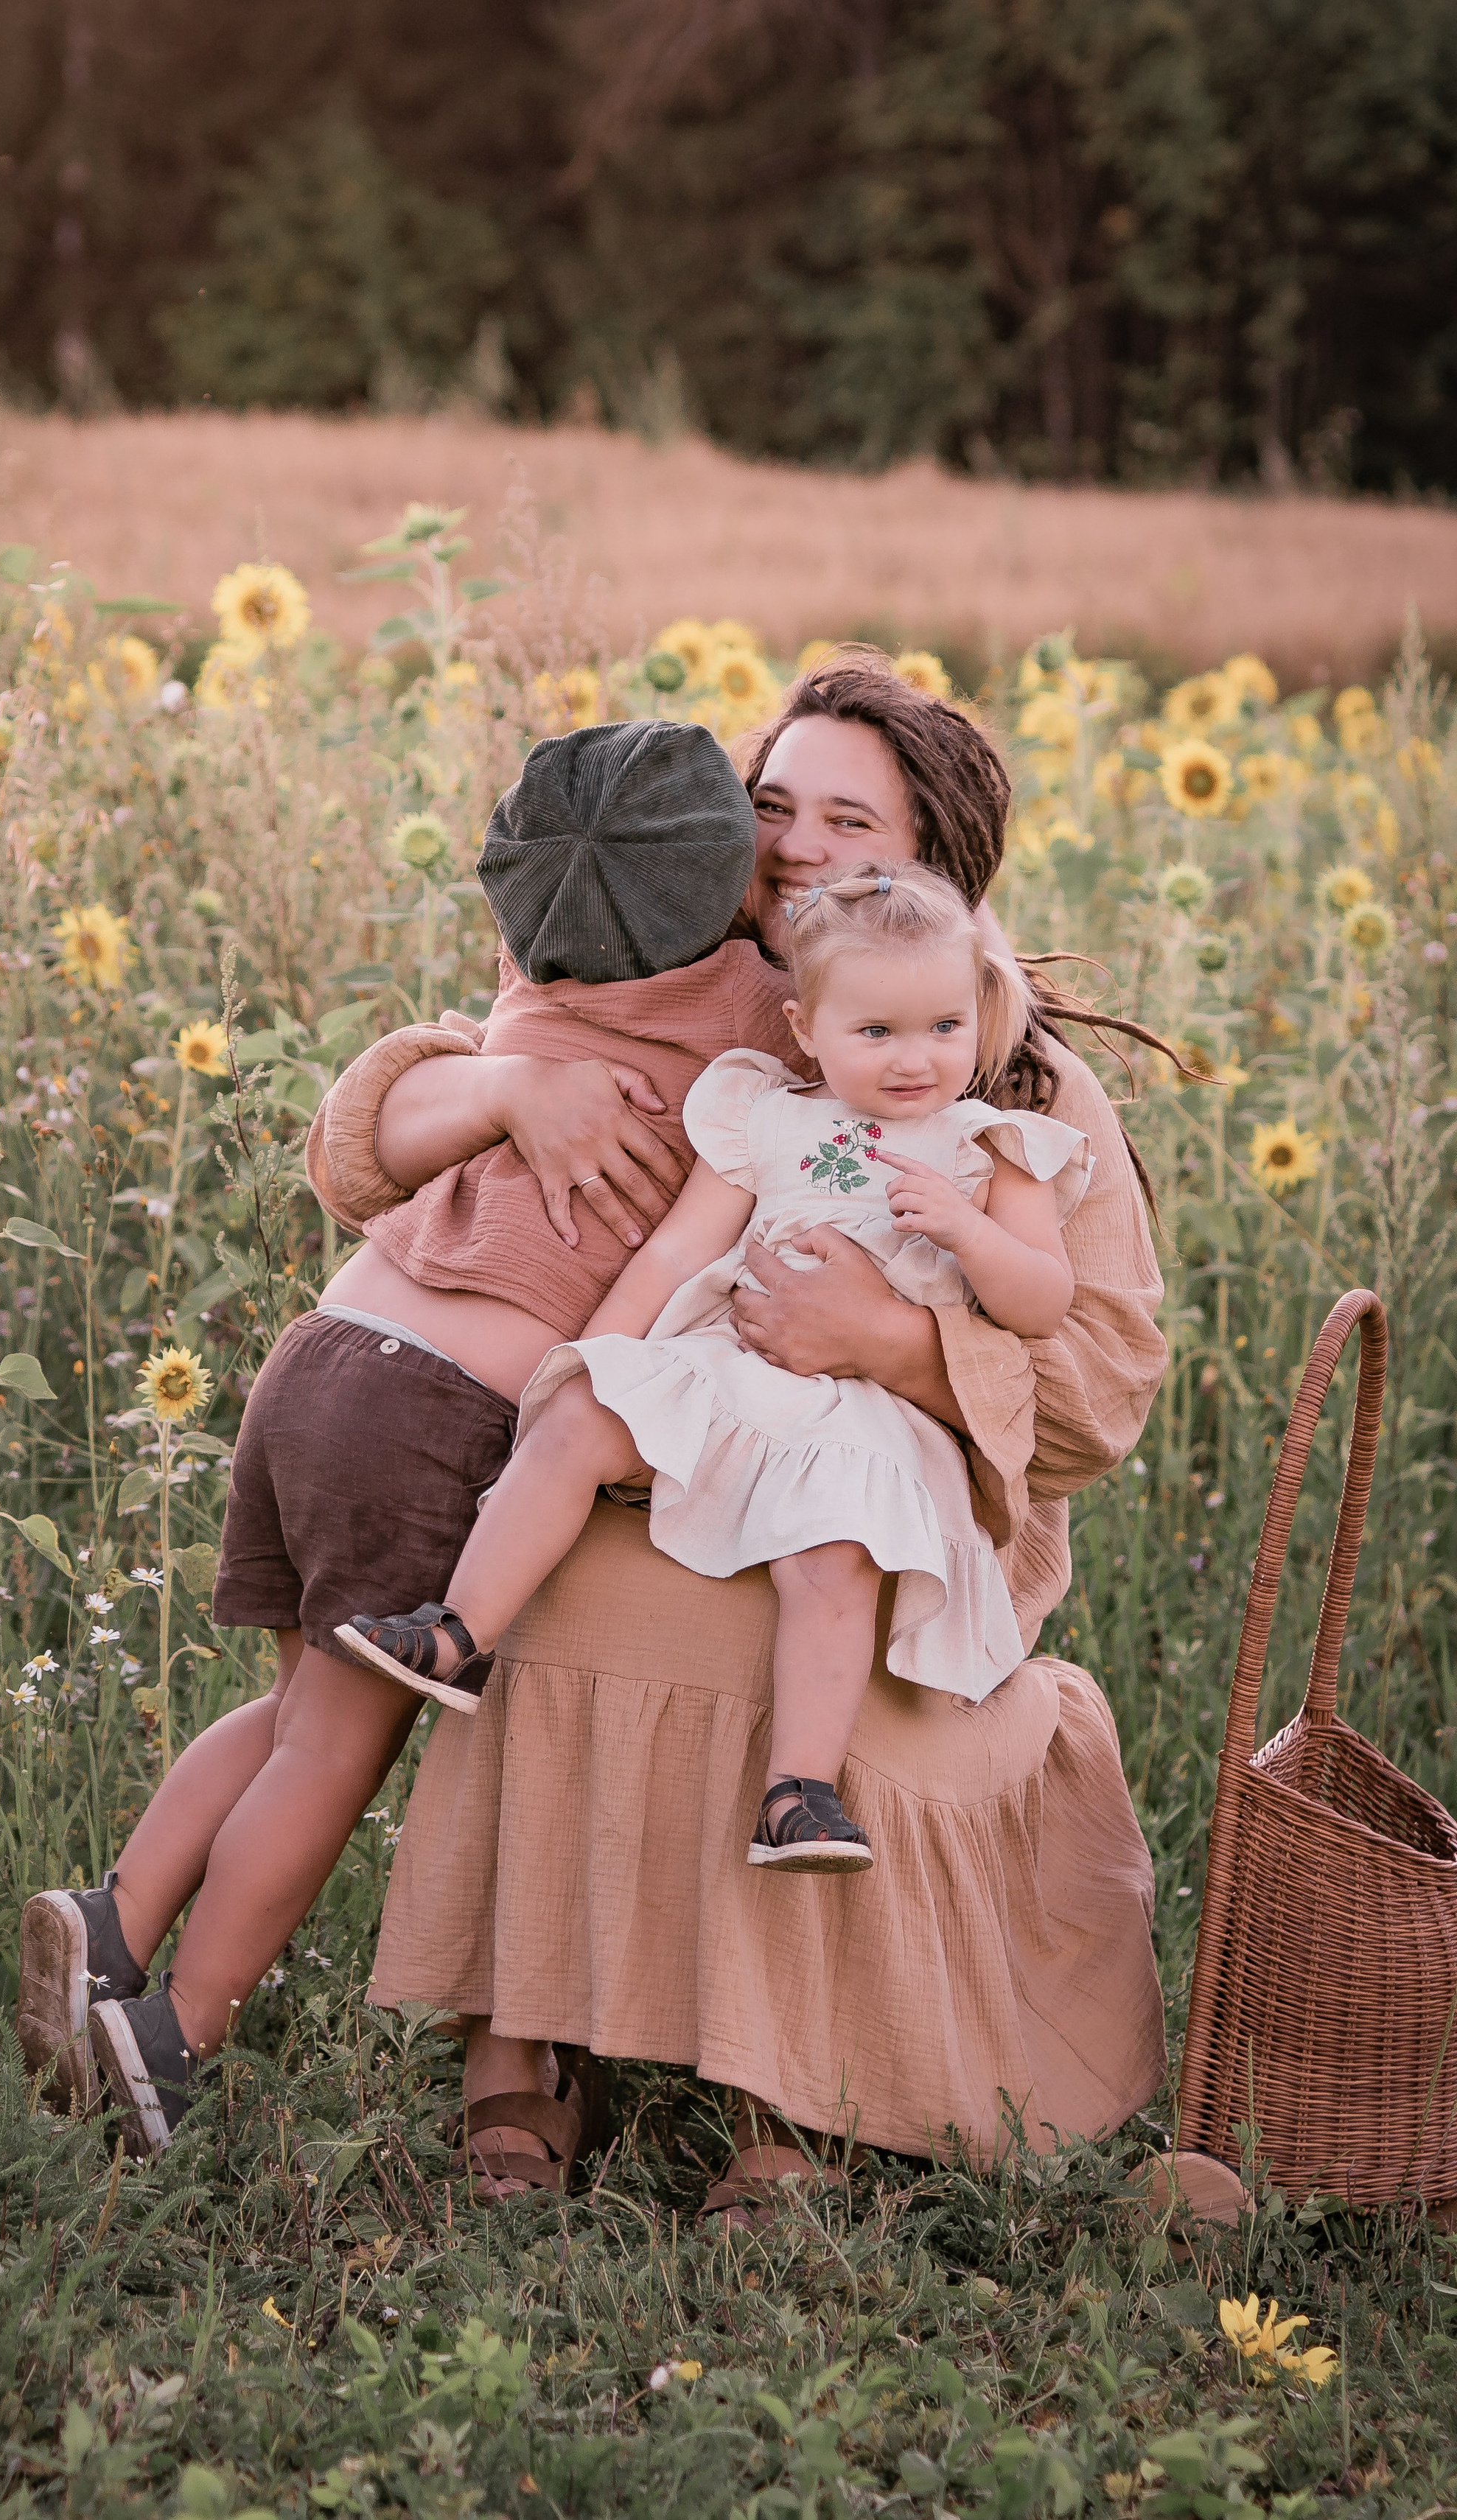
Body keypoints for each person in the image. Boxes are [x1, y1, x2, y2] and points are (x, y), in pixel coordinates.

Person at [309, 649, 1170, 2212]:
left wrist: (898, 1342)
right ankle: (522, 2044)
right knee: (565, 1601)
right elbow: (362, 1143)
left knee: (835, 1650)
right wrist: (503, 1084)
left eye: (848, 819)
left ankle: (812, 2097)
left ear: (934, 869)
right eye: (769, 803)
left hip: (889, 1507)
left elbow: (1101, 1387)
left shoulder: (1008, 1082)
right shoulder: (666, 977)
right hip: (668, 1471)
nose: (791, 846)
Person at [15, 715, 813, 2155]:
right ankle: (171, 2034)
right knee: (335, 1748)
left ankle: (113, 1918)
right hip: (435, 1407)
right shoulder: (764, 1009)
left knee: (291, 1714)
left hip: (320, 1356)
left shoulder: (535, 970)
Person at [340, 862, 1091, 1878]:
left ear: (979, 1017)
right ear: (806, 1026)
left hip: (863, 1411)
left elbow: (1042, 1300)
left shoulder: (990, 1148)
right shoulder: (764, 1114)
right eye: (876, 1033)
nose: (916, 1060)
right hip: (732, 1365)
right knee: (578, 1420)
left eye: (944, 1028)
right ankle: (458, 1632)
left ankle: (800, 1792)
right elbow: (674, 1254)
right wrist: (591, 1362)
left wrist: (971, 1231)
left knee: (834, 1562)